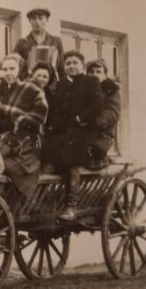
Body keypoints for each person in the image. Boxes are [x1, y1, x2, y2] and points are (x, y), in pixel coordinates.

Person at [42, 51, 103, 220]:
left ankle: (71, 206)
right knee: (46, 158)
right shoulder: (61, 84)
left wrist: (79, 118)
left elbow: (97, 105)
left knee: (72, 163)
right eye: (68, 63)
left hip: (83, 131)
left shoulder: (91, 81)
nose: (71, 66)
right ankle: (43, 201)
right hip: (62, 131)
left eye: (75, 63)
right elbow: (55, 109)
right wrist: (52, 127)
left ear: (82, 65)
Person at [0, 54, 49, 197]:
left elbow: (40, 113)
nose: (8, 73)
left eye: (12, 69)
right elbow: (1, 117)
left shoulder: (32, 86)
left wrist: (17, 123)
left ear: (20, 68)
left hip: (26, 141)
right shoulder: (4, 88)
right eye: (5, 69)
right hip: (7, 137)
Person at [86, 58, 120, 169]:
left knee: (91, 154)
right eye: (91, 72)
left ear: (105, 75)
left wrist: (93, 121)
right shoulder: (84, 89)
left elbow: (112, 113)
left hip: (102, 135)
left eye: (98, 72)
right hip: (84, 132)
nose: (95, 75)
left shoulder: (111, 91)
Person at [14, 8, 65, 81]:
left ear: (47, 20)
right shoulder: (22, 42)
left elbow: (61, 66)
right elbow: (15, 65)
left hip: (51, 83)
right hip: (28, 83)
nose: (37, 22)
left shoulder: (56, 41)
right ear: (29, 21)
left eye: (40, 18)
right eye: (34, 19)